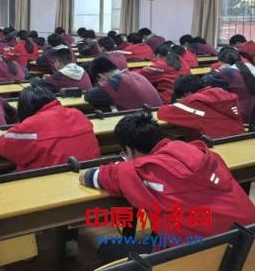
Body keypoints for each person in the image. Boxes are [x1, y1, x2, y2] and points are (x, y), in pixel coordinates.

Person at [79, 113, 255, 255]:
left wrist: (121, 165)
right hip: (246, 244)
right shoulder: (199, 151)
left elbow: (89, 176)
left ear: (130, 150)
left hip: (202, 254)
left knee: (108, 248)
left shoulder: (141, 170)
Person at [0, 85, 100, 171]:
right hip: (88, 175)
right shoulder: (78, 114)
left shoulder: (32, 125)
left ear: (24, 109)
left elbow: (4, 146)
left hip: (49, 182)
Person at [157, 75, 244, 139]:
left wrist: (182, 102)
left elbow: (162, 112)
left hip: (214, 147)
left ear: (187, 94)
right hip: (241, 140)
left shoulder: (194, 102)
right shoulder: (226, 95)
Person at [203, 47, 255, 127]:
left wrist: (219, 69)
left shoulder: (228, 72)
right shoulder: (249, 66)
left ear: (222, 62)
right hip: (251, 111)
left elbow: (205, 80)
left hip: (241, 112)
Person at [85, 57, 162, 110]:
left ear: (100, 76)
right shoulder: (134, 74)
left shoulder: (116, 81)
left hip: (144, 121)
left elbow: (89, 96)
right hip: (156, 115)